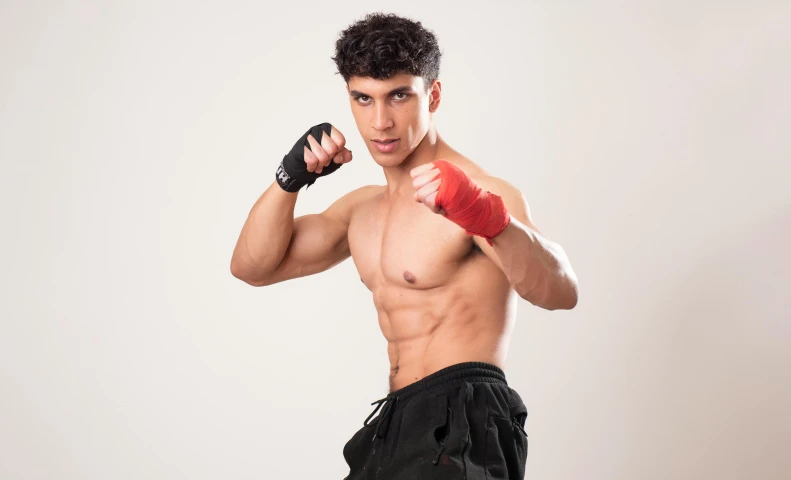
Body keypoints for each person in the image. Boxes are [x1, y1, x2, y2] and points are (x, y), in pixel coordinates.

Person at [230, 12, 578, 480]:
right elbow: (252, 266)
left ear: (432, 95)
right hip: (398, 421)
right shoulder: (361, 210)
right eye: (363, 98)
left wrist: (487, 218)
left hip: (467, 419)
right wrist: (290, 179)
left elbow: (561, 292)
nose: (380, 121)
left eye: (399, 95)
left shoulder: (479, 193)